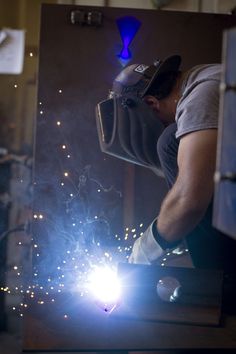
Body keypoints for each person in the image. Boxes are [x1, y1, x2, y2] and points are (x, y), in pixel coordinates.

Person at [96, 55, 236, 274]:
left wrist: (145, 249)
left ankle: (218, 286)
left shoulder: (201, 97)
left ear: (151, 103)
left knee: (170, 142)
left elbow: (188, 200)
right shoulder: (203, 75)